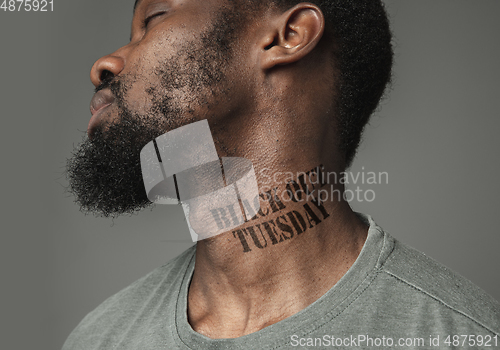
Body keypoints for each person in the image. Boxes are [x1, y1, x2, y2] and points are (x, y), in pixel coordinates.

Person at [63, 0, 500, 348]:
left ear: (287, 36)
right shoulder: (101, 339)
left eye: (154, 18)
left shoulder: (461, 336)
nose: (104, 64)